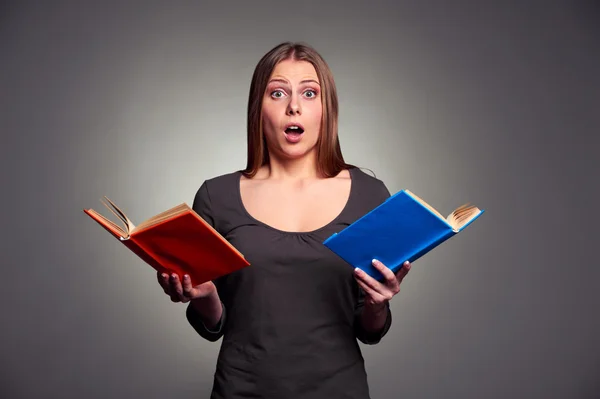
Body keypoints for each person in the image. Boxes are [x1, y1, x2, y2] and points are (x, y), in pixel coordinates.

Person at [156, 41, 412, 399]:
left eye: (309, 93)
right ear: (258, 109)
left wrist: (378, 304)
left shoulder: (370, 196)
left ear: (327, 110)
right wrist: (205, 296)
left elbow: (368, 330)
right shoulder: (217, 197)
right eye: (278, 93)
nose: (294, 106)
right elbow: (215, 325)